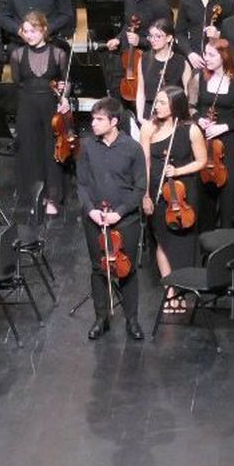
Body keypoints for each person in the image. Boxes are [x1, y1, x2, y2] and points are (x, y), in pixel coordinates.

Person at [76, 97, 147, 341]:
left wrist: (120, 211)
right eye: (93, 119)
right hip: (95, 219)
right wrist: (91, 210)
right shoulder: (87, 146)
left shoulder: (132, 148)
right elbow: (82, 184)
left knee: (126, 270)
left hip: (124, 219)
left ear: (114, 121)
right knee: (98, 269)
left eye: (99, 119)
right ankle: (101, 318)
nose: (93, 124)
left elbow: (140, 188)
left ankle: (132, 320)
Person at [141, 85, 207, 312]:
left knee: (184, 240)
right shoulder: (149, 128)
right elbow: (145, 163)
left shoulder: (191, 130)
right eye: (156, 102)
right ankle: (170, 290)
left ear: (175, 105)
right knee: (162, 239)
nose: (156, 106)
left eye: (161, 102)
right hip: (157, 191)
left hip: (183, 191)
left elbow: (201, 162)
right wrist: (145, 194)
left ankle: (182, 287)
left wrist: (177, 171)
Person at [9, 12, 72, 214]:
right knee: (29, 149)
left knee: (51, 149)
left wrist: (64, 96)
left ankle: (52, 197)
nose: (29, 35)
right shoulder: (17, 55)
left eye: (33, 30)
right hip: (27, 105)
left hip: (50, 105)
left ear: (44, 29)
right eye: (26, 31)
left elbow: (66, 81)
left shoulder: (58, 54)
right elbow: (18, 83)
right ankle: (32, 196)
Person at [193, 39, 234, 229]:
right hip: (204, 143)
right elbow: (190, 107)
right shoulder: (198, 79)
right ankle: (205, 247)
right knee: (204, 199)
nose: (207, 58)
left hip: (230, 145)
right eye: (205, 54)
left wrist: (225, 127)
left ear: (224, 56)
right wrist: (198, 119)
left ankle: (227, 246)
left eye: (212, 55)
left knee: (229, 198)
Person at [102, 0, 172, 99]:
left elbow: (167, 40)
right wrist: (118, 39)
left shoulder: (160, 5)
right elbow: (127, 25)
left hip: (148, 61)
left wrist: (141, 40)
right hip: (126, 58)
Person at [134, 18, 196, 122]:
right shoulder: (144, 59)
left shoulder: (181, 61)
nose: (153, 40)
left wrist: (180, 114)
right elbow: (141, 91)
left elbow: (187, 94)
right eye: (151, 36)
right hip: (150, 112)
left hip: (173, 114)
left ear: (169, 38)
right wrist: (140, 116)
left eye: (158, 36)